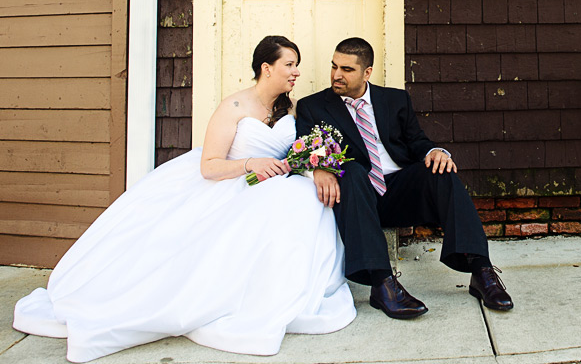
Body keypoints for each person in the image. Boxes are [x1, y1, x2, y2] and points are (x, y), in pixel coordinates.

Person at [13, 36, 356, 363]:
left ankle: (285, 286)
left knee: (302, 197)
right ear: (267, 68)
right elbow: (209, 167)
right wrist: (251, 164)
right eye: (290, 64)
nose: (296, 72)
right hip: (230, 182)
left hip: (271, 185)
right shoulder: (234, 106)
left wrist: (310, 162)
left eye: (297, 65)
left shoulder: (288, 110)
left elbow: (291, 153)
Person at [295, 37, 513, 319]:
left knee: (442, 170)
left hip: (398, 190)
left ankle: (481, 271)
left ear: (367, 72)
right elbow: (306, 147)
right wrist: (321, 167)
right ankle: (382, 283)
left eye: (347, 69)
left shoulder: (395, 100)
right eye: (334, 66)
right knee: (352, 170)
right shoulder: (313, 107)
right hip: (358, 198)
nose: (337, 75)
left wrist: (436, 151)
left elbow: (417, 141)